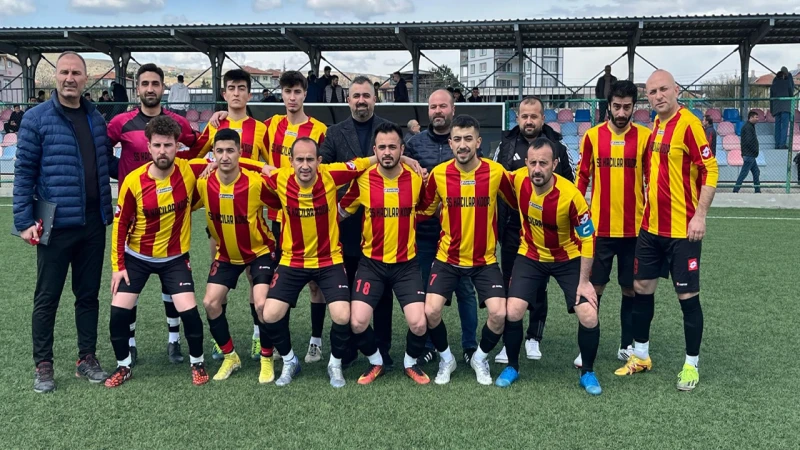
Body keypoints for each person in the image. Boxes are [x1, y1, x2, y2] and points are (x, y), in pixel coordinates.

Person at [14, 51, 118, 393]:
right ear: (55, 77)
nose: (70, 78)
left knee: (88, 295)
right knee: (47, 297)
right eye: (64, 72)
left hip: (93, 222)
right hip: (54, 225)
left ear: (85, 79)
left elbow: (106, 164)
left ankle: (86, 357)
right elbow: (24, 172)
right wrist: (24, 221)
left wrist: (148, 168)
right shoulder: (36, 118)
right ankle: (43, 364)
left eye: (76, 73)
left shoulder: (96, 119)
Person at [616, 69, 718, 392]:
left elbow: (710, 169)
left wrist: (700, 216)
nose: (658, 96)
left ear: (676, 90)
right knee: (641, 288)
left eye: (663, 89)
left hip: (682, 231)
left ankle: (691, 364)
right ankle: (641, 355)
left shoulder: (689, 125)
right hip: (651, 228)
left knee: (687, 296)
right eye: (652, 92)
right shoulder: (656, 125)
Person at [257, 138, 382, 388]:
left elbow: (362, 163)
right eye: (299, 160)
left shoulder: (331, 175)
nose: (305, 165)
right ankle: (290, 361)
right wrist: (216, 163)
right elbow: (252, 167)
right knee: (269, 314)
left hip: (329, 260)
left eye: (310, 159)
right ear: (291, 161)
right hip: (292, 260)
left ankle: (334, 364)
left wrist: (404, 158)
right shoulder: (280, 178)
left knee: (342, 315)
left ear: (319, 161)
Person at [106, 115, 213, 388]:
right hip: (137, 258)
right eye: (157, 145)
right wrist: (118, 267)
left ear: (177, 146)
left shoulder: (188, 170)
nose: (162, 151)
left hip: (174, 259)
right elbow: (120, 227)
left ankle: (197, 362)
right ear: (149, 147)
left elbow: (229, 160)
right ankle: (123, 366)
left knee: (190, 313)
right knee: (118, 313)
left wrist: (265, 167)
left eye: (168, 145)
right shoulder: (133, 181)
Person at [107, 63, 199, 366]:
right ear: (137, 88)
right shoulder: (120, 122)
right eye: (144, 83)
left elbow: (197, 147)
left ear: (163, 87)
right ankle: (130, 344)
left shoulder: (177, 122)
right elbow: (101, 150)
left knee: (170, 283)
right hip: (136, 207)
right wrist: (119, 172)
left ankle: (174, 340)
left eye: (155, 83)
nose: (150, 88)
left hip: (171, 209)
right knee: (129, 285)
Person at [497, 137, 601, 395]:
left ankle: (588, 372)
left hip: (567, 258)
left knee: (589, 315)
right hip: (531, 255)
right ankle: (512, 366)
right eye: (532, 163)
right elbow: (485, 170)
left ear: (554, 164)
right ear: (526, 163)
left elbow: (588, 238)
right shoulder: (518, 180)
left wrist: (584, 282)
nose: (537, 169)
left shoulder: (571, 196)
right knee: (513, 311)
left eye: (543, 163)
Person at [417, 114, 515, 386]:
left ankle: (479, 357)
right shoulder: (439, 174)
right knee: (431, 311)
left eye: (468, 139)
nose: (462, 145)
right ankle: (446, 358)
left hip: (484, 260)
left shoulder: (496, 172)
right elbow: (424, 210)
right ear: (450, 143)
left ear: (478, 142)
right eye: (457, 139)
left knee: (499, 314)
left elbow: (518, 200)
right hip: (447, 258)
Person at [319, 76, 404, 369]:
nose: (361, 101)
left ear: (374, 99)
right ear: (348, 100)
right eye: (356, 96)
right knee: (345, 289)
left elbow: (402, 160)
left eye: (366, 95)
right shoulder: (333, 133)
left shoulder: (389, 129)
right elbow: (325, 170)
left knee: (381, 293)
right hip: (345, 223)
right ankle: (348, 348)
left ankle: (382, 348)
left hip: (382, 225)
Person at [338, 122, 430, 385]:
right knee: (357, 322)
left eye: (392, 147)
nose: (387, 152)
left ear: (402, 149)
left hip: (406, 265)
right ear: (374, 150)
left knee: (419, 324)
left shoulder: (416, 178)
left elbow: (426, 209)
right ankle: (376, 360)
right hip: (372, 265)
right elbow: (341, 212)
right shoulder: (363, 179)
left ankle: (410, 362)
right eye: (382, 147)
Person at [190, 69, 270, 362]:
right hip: (219, 216)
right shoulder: (214, 125)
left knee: (254, 278)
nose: (236, 93)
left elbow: (271, 167)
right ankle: (220, 341)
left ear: (249, 93)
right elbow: (193, 159)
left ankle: (257, 336)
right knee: (219, 270)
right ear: (224, 94)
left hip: (249, 213)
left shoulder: (260, 129)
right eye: (231, 88)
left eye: (241, 88)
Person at [573, 80, 651, 368]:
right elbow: (582, 177)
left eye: (627, 107)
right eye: (616, 106)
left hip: (634, 231)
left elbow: (651, 180)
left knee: (631, 290)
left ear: (634, 107)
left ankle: (626, 345)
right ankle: (587, 348)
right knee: (594, 289)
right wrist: (575, 214)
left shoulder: (645, 137)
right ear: (608, 106)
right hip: (600, 231)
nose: (621, 112)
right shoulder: (592, 136)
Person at [193, 128, 279, 384]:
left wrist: (260, 167)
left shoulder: (255, 183)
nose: (225, 156)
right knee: (210, 302)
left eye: (230, 150)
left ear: (240, 152)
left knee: (262, 304)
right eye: (219, 151)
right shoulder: (203, 183)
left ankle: (267, 357)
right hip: (227, 255)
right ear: (213, 153)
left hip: (259, 252)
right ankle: (230, 356)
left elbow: (283, 199)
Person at [493, 96, 574, 364]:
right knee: (510, 283)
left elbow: (570, 186)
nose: (529, 121)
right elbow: (497, 184)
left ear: (542, 118)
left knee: (539, 285)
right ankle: (509, 341)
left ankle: (534, 337)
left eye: (534, 116)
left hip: (546, 229)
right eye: (524, 116)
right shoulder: (505, 146)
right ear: (517, 118)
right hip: (512, 227)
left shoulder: (558, 147)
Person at [404, 89, 480, 366]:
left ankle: (470, 345)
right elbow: (403, 177)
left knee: (465, 292)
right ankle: (428, 344)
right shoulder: (414, 144)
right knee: (425, 290)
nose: (438, 111)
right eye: (433, 106)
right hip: (425, 234)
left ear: (453, 109)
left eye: (443, 106)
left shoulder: (465, 141)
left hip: (461, 234)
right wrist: (408, 164)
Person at [262, 71, 328, 363]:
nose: (292, 97)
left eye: (297, 92)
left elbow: (326, 170)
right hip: (280, 215)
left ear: (304, 94)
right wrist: (220, 116)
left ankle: (315, 340)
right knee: (282, 280)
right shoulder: (270, 125)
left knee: (315, 283)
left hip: (311, 214)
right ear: (282, 94)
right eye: (287, 92)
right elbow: (240, 135)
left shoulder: (319, 129)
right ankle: (281, 342)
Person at [733, 111, 761, 193]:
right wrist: (755, 150)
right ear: (751, 117)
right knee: (744, 173)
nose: (757, 119)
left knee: (756, 172)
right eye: (756, 117)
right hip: (749, 155)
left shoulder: (750, 126)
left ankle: (757, 190)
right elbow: (749, 141)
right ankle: (735, 189)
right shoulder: (748, 127)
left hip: (750, 154)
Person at [770, 67, 794, 149]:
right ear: (783, 76)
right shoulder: (787, 83)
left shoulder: (773, 85)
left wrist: (772, 110)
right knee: (784, 127)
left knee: (777, 126)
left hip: (776, 108)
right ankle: (782, 144)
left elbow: (771, 99)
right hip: (785, 107)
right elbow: (791, 94)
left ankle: (777, 144)